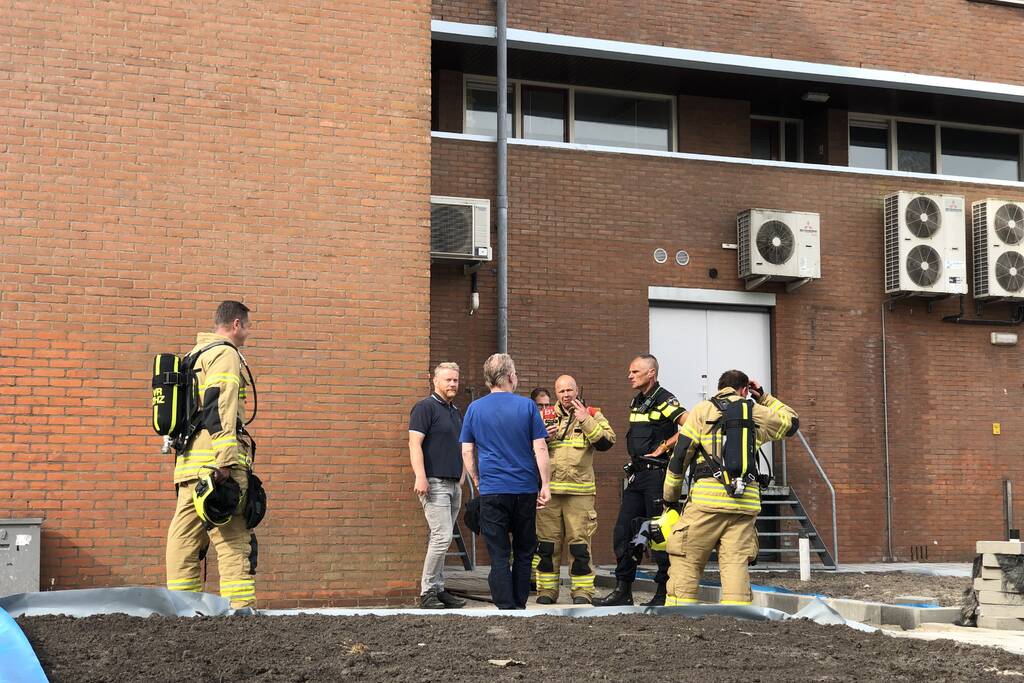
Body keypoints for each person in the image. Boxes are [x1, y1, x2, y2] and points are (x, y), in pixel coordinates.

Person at [662, 370, 798, 606]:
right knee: (735, 565)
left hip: (706, 504)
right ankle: (737, 621)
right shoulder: (756, 412)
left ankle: (679, 618)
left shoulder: (703, 410)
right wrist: (764, 397)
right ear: (745, 390)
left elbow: (680, 456)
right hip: (744, 505)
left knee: (686, 561)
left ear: (720, 388)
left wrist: (670, 499)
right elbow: (792, 422)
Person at [166, 300, 258, 610]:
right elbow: (218, 404)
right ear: (236, 325)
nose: (248, 331)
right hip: (214, 466)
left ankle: (184, 609)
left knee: (184, 541)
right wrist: (225, 459)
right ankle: (240, 612)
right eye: (247, 325)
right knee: (232, 538)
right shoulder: (225, 354)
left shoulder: (194, 356)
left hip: (189, 467)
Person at [594, 354, 686, 607]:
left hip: (658, 476)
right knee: (623, 532)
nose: (630, 375)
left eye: (635, 371)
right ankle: (623, 591)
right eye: (630, 371)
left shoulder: (665, 399)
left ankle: (663, 593)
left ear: (651, 374)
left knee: (658, 534)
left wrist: (664, 446)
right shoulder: (638, 401)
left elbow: (691, 425)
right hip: (637, 476)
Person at [460, 353, 551, 609]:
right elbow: (541, 449)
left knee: (499, 553)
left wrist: (477, 479)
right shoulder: (527, 407)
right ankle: (519, 604)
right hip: (524, 490)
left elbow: (467, 450)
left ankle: (504, 606)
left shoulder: (475, 409)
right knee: (524, 550)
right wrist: (545, 485)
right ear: (511, 376)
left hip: (492, 490)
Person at [535, 375, 615, 605]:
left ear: (577, 390)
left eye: (570, 390)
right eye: (561, 391)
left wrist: (586, 421)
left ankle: (582, 592)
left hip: (580, 493)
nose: (566, 395)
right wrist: (543, 437)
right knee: (547, 545)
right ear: (556, 393)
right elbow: (527, 446)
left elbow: (607, 442)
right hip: (550, 494)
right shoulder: (544, 416)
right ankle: (547, 591)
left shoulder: (591, 413)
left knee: (579, 545)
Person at [409, 362, 468, 609]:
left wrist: (463, 474)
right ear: (435, 381)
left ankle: (439, 589)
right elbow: (414, 444)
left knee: (441, 537)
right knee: (442, 537)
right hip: (434, 483)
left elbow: (464, 445)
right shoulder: (424, 407)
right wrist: (420, 476)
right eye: (448, 380)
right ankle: (427, 592)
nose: (453, 384)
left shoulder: (455, 411)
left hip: (454, 484)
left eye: (455, 380)